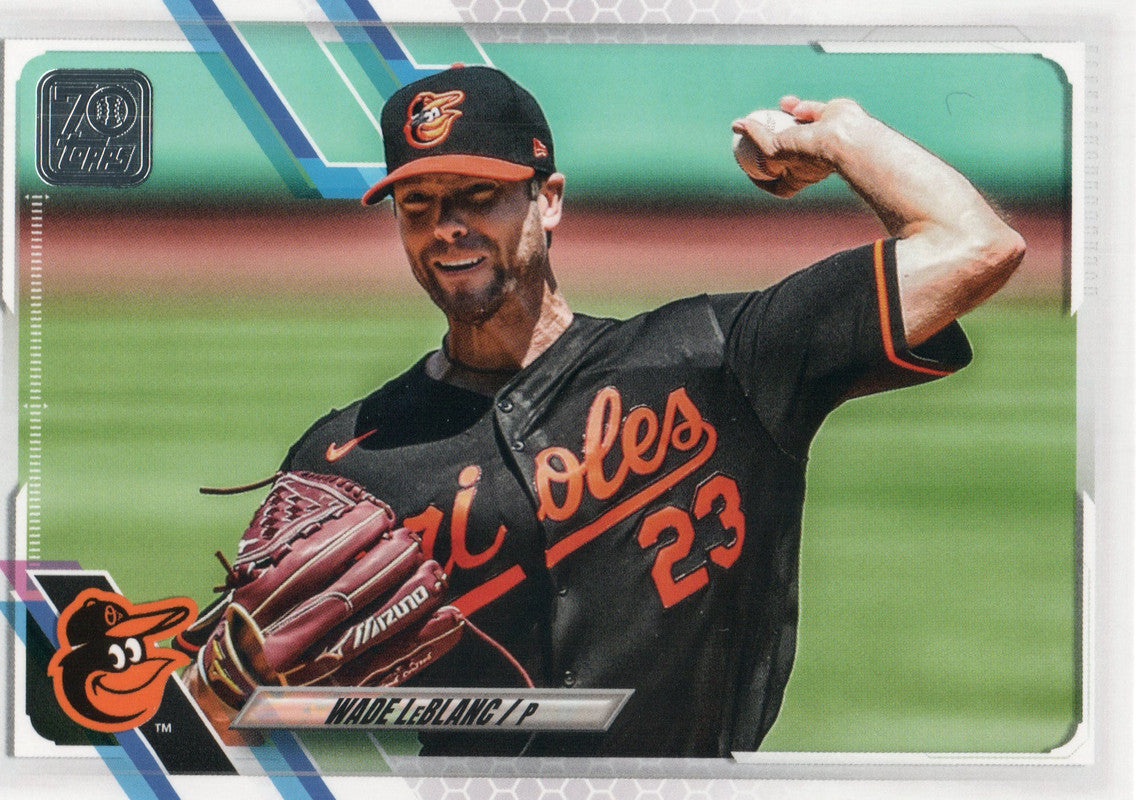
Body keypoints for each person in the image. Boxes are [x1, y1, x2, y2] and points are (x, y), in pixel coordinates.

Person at [186, 65, 1024, 757]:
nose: (447, 227)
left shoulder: (717, 361)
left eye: (477, 195)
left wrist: (840, 137)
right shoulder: (348, 459)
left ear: (548, 200)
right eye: (418, 205)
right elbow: (200, 734)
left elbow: (977, 245)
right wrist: (226, 693)